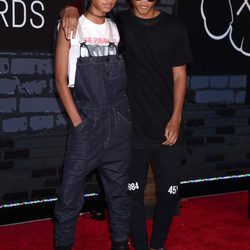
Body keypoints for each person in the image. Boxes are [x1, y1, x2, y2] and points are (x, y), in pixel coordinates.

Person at [62, 0, 192, 249]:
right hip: (129, 130)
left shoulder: (175, 26)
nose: (144, 0)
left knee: (170, 195)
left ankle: (157, 245)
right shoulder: (119, 22)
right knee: (130, 197)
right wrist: (69, 8)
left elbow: (180, 75)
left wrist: (176, 118)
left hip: (168, 129)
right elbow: (91, 17)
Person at [54, 0, 132, 249]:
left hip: (118, 121)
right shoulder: (71, 25)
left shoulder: (115, 28)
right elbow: (60, 79)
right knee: (68, 196)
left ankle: (120, 244)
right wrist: (78, 122)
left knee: (119, 194)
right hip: (87, 123)